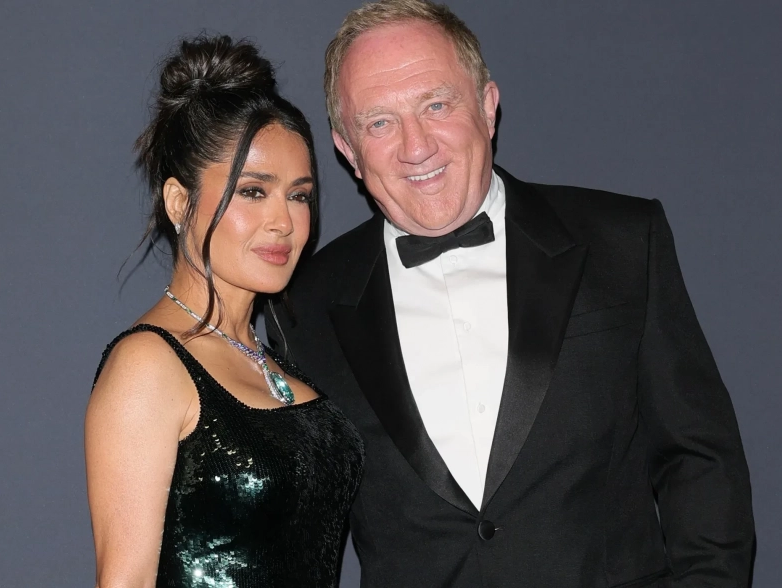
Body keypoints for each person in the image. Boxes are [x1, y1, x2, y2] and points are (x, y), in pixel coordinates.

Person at [266, 1, 755, 586]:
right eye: (379, 123)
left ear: (488, 107)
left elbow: (701, 461)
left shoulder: (622, 243)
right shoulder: (302, 308)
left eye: (436, 105)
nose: (416, 146)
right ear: (348, 149)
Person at [85, 35, 364, 588]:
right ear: (179, 202)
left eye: (300, 195)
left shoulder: (278, 359)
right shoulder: (148, 365)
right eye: (254, 192)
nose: (284, 222)